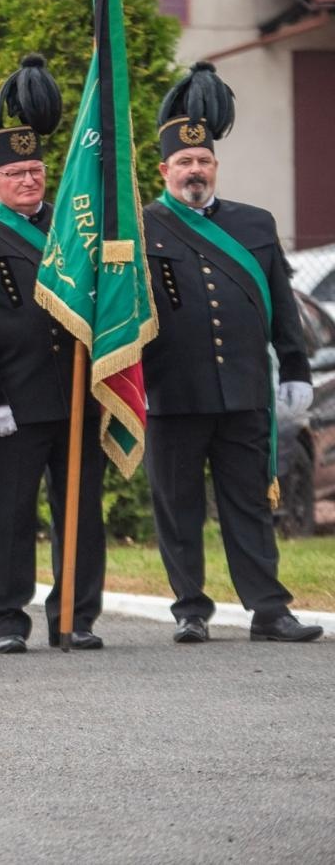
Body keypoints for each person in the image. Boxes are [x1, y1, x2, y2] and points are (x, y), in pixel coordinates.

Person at [142, 62, 322, 644]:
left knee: (248, 503)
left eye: (204, 162)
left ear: (215, 166)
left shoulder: (255, 223)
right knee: (179, 506)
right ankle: (190, 608)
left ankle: (269, 609)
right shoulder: (140, 229)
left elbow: (280, 303)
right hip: (171, 391)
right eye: (184, 163)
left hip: (243, 390)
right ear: (164, 169)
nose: (195, 170)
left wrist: (293, 366)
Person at [0, 54, 105, 654]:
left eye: (36, 171)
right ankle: (5, 619)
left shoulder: (73, 228)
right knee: (10, 515)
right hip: (14, 398)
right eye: (16, 174)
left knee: (81, 512)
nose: (30, 181)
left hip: (78, 394)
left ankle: (76, 616)